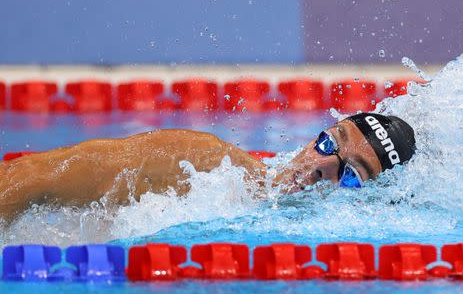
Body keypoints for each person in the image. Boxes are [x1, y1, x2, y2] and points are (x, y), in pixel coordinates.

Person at [0, 113, 416, 224]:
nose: (321, 166)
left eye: (352, 175)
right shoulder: (203, 164)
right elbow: (32, 178)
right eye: (329, 142)